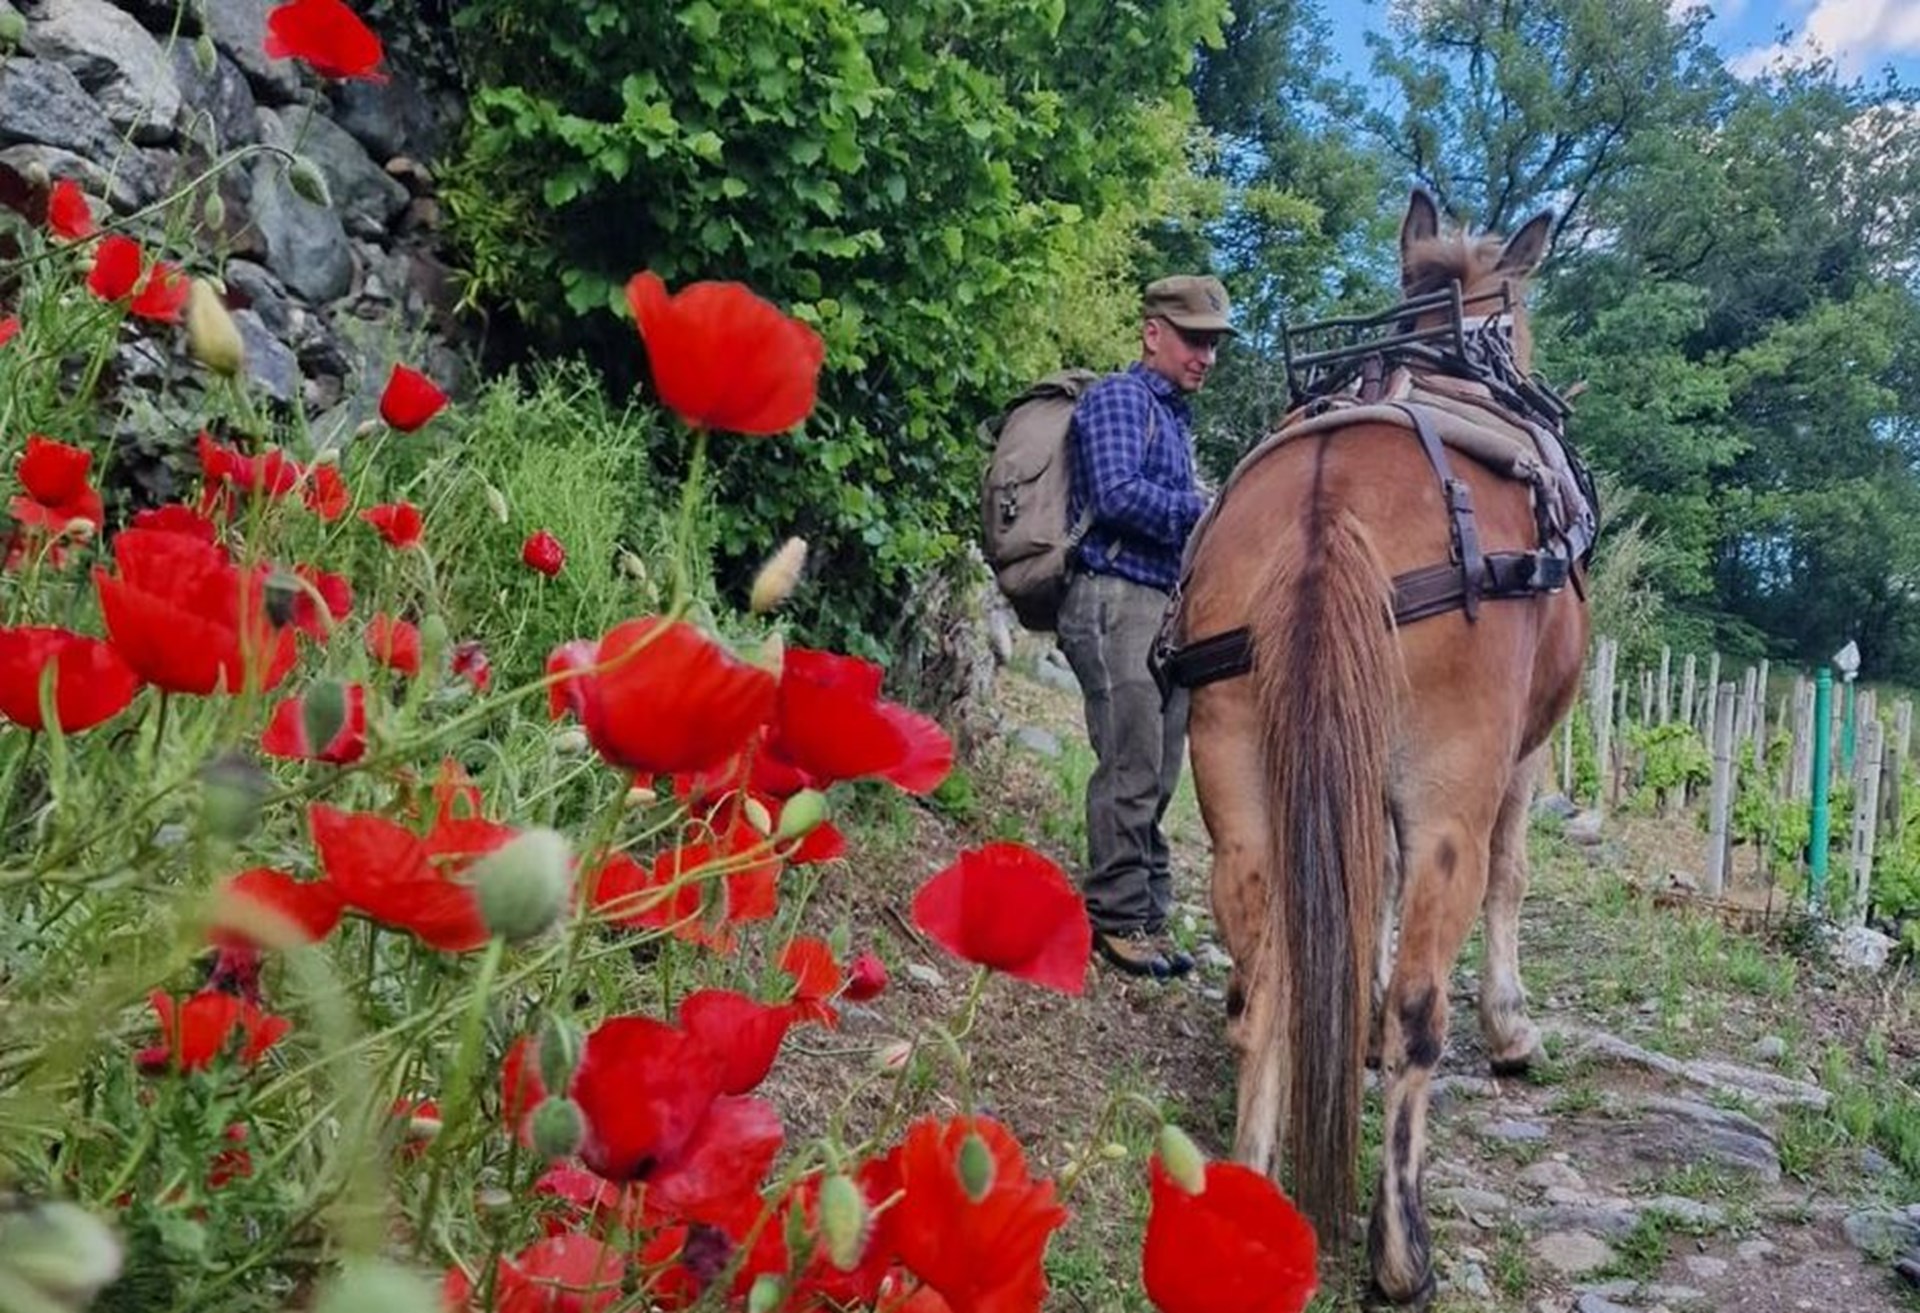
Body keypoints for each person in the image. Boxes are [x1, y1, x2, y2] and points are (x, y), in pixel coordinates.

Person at [1056, 274, 1234, 979]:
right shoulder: (1121, 398)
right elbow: (1116, 494)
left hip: (1159, 604)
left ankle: (1148, 910)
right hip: (1112, 597)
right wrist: (1208, 511)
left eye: (1214, 344)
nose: (1206, 357)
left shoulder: (1173, 417)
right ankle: (1117, 916)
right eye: (1194, 340)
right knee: (1130, 760)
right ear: (1153, 332)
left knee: (1158, 768)